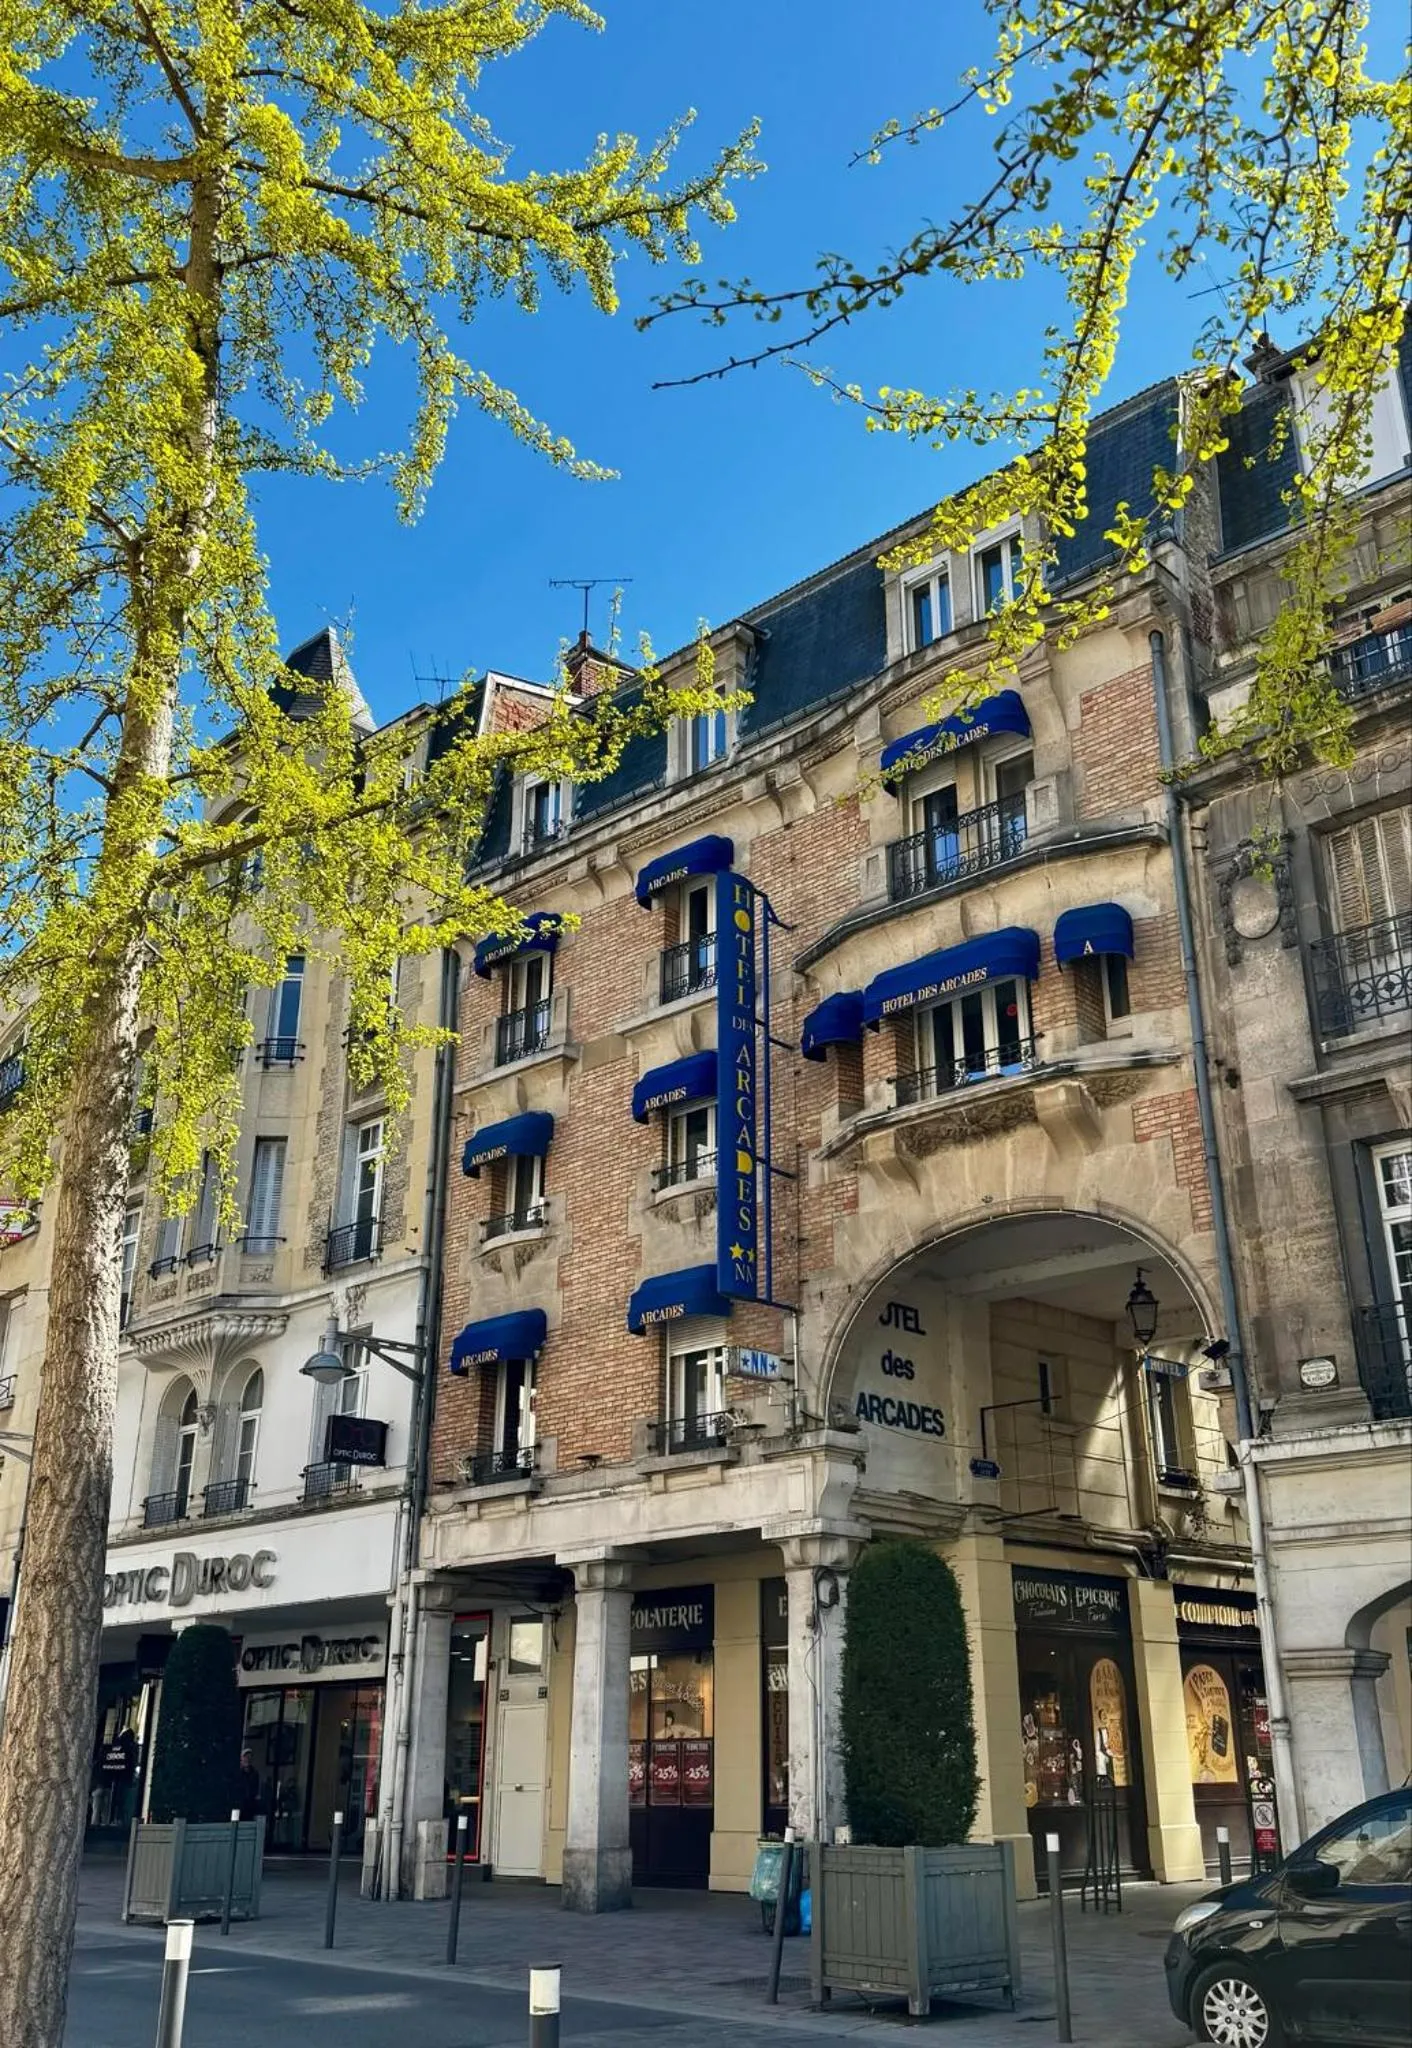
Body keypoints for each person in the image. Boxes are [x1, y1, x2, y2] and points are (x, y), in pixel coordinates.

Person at [237, 1747, 262, 1820]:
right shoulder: (238, 1773)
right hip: (239, 1805)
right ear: (242, 1758)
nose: (247, 1759)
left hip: (250, 1805)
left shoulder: (255, 1773)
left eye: (249, 1757)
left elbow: (256, 1790)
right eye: (245, 1757)